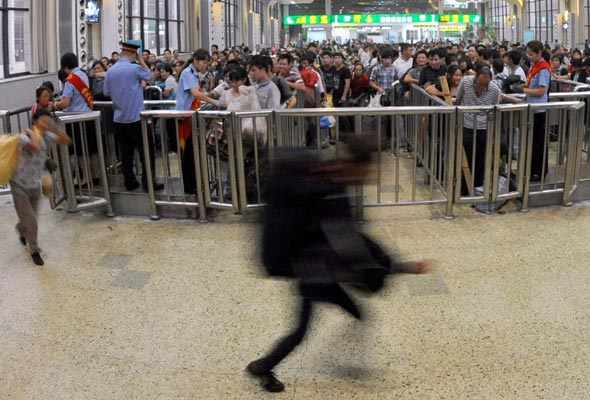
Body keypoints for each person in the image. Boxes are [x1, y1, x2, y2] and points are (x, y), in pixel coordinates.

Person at [246, 137, 431, 393]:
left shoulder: (327, 178)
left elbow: (352, 242)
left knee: (353, 315)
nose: (370, 177)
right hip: (313, 272)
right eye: (369, 171)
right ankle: (263, 366)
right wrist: (400, 267)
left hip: (316, 267)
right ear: (358, 166)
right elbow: (351, 247)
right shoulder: (331, 191)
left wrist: (399, 266)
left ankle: (267, 365)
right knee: (303, 329)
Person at [10, 108, 70, 265]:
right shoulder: (25, 136)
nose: (45, 124)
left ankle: (21, 228)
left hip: (34, 184)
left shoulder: (47, 136)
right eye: (42, 121)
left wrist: (54, 126)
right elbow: (35, 147)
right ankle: (34, 250)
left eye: (47, 121)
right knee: (31, 219)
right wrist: (36, 132)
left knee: (31, 216)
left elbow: (65, 140)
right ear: (35, 121)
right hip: (18, 184)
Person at [103, 41, 163, 192]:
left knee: (126, 153)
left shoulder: (110, 71)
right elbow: (150, 76)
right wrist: (142, 60)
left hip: (119, 118)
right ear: (133, 54)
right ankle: (148, 183)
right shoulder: (134, 68)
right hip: (137, 119)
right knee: (146, 153)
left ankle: (130, 182)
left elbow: (106, 92)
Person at [175, 49, 218, 194]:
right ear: (196, 60)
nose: (205, 66)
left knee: (192, 152)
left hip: (192, 116)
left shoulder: (193, 74)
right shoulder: (188, 73)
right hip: (185, 117)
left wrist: (208, 95)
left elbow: (198, 95)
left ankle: (194, 182)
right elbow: (195, 93)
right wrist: (214, 101)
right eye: (204, 62)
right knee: (188, 153)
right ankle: (189, 186)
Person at [54, 52, 101, 187]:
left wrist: (56, 105)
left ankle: (86, 178)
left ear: (65, 67)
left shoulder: (70, 80)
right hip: (88, 116)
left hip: (76, 119)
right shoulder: (83, 75)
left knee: (80, 152)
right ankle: (96, 175)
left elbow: (66, 102)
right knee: (91, 149)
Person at [509, 40, 552, 181]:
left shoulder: (544, 68)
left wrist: (522, 89)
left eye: (531, 54)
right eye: (528, 54)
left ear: (539, 53)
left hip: (539, 110)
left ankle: (539, 172)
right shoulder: (535, 66)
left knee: (538, 143)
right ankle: (530, 169)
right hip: (531, 108)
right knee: (531, 142)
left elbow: (541, 91)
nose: (529, 57)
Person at [456, 65, 501, 194]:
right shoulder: (465, 81)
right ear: (475, 78)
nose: (481, 88)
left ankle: (478, 184)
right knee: (465, 156)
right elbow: (458, 100)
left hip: (484, 127)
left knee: (481, 157)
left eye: (484, 85)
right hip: (466, 124)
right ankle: (463, 187)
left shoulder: (494, 90)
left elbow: (494, 111)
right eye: (479, 84)